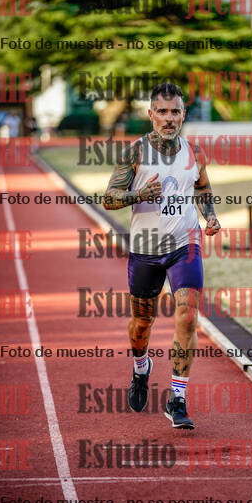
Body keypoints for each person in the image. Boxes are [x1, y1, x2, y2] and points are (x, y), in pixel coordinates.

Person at [103, 82, 220, 429]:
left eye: (175, 112)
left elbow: (203, 189)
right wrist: (138, 194)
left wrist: (210, 216)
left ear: (183, 115)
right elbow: (108, 198)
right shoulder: (135, 153)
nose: (169, 118)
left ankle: (177, 398)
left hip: (185, 244)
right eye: (162, 112)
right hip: (145, 249)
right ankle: (141, 368)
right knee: (142, 323)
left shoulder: (194, 153)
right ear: (151, 114)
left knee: (187, 316)